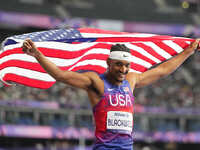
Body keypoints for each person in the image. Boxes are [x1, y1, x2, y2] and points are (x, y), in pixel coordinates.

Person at [22, 39, 200, 150]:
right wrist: (37, 54)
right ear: (108, 63)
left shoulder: (131, 80)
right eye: (118, 64)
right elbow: (60, 75)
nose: (123, 69)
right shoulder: (95, 82)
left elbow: (162, 70)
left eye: (126, 65)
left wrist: (188, 51)